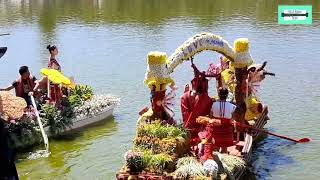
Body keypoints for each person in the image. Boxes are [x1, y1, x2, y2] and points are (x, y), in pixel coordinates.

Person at [209, 87, 236, 153]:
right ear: (227, 95)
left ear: (218, 95)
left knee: (216, 147)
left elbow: (211, 116)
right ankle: (224, 156)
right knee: (224, 148)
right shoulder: (232, 106)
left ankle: (216, 158)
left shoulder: (213, 105)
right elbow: (233, 118)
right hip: (227, 131)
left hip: (216, 130)